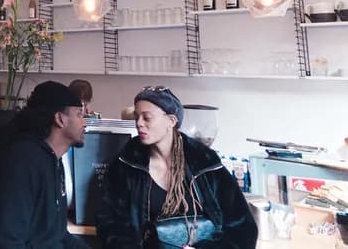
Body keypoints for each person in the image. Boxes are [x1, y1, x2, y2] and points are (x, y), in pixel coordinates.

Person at [97, 87, 257, 249]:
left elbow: (243, 229)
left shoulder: (205, 164)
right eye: (136, 117)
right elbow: (110, 224)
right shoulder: (126, 165)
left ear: (171, 121)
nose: (139, 123)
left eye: (147, 118)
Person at [0, 81, 88, 249]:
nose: (84, 123)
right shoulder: (23, 161)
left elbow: (59, 235)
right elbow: (8, 241)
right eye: (79, 114)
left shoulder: (54, 161)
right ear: (60, 119)